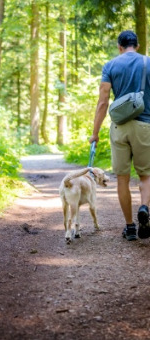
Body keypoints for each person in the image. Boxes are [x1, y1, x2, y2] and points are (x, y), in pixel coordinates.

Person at [89, 30, 150, 241]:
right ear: (138, 45)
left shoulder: (111, 65)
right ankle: (144, 207)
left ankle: (130, 227)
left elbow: (103, 101)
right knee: (146, 175)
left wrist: (95, 133)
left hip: (119, 127)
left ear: (119, 46)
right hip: (145, 126)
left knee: (122, 179)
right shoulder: (148, 63)